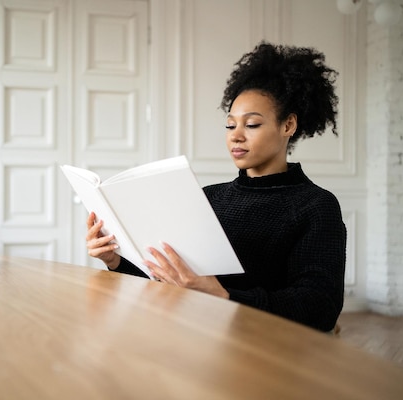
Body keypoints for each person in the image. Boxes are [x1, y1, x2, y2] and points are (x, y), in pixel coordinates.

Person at [85, 41, 346, 333]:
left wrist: (224, 296)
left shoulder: (316, 206)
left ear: (288, 126)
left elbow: (320, 306)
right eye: (230, 125)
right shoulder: (210, 197)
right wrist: (115, 260)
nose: (236, 136)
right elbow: (170, 276)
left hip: (267, 351)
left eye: (252, 125)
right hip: (195, 339)